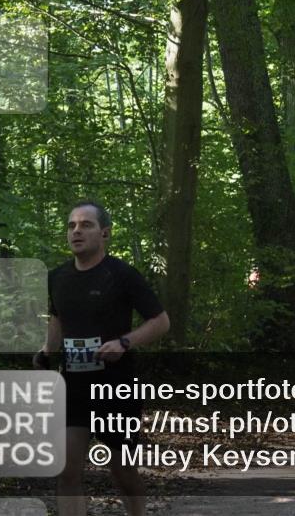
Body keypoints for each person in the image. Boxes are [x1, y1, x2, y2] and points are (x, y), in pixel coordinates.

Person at [34, 201, 170, 516]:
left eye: (86, 225)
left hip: (116, 387)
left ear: (104, 233)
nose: (76, 231)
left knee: (122, 471)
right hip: (73, 388)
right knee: (66, 470)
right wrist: (47, 351)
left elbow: (161, 321)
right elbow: (58, 318)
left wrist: (124, 342)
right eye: (71, 226)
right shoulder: (56, 277)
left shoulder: (122, 275)